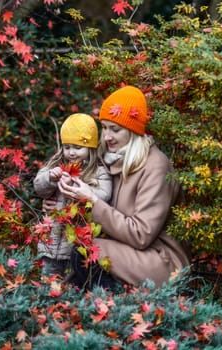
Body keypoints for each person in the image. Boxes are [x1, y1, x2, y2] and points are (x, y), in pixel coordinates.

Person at [56, 85, 190, 290]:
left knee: (85, 252)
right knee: (80, 260)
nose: (107, 136)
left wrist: (92, 200)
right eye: (105, 128)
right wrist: (61, 204)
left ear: (133, 131)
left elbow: (141, 235)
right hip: (123, 249)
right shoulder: (111, 158)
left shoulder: (156, 166)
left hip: (159, 259)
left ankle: (115, 306)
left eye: (115, 129)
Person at [34, 113, 112, 278]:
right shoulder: (56, 166)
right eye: (67, 147)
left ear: (90, 147)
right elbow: (39, 188)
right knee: (48, 279)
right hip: (52, 238)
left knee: (71, 281)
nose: (72, 153)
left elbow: (104, 195)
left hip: (75, 241)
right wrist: (50, 178)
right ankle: (46, 300)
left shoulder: (98, 171)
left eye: (78, 147)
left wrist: (79, 186)